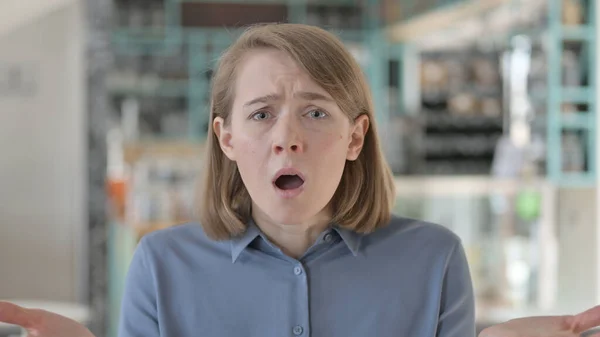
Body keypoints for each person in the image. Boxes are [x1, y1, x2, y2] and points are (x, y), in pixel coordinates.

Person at [0, 23, 598, 337]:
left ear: (356, 138)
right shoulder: (160, 264)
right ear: (227, 138)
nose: (287, 136)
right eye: (261, 113)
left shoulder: (435, 260)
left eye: (315, 111)